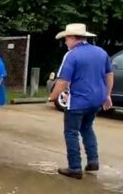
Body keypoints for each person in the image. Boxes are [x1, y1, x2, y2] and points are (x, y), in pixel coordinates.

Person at [48, 23, 113, 180]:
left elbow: (63, 81)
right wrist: (107, 94)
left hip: (77, 101)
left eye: (66, 39)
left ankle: (75, 168)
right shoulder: (101, 52)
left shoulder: (72, 55)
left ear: (72, 38)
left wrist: (53, 96)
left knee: (71, 132)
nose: (65, 43)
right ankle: (93, 161)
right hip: (96, 100)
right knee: (87, 128)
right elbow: (109, 75)